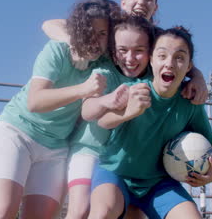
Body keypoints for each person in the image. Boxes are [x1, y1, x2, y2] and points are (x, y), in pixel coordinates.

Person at [0, 0, 120, 219]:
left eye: (103, 34)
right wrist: (82, 89)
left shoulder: (103, 64)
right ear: (79, 30)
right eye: (90, 31)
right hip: (18, 132)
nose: (96, 39)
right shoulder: (57, 49)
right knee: (3, 209)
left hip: (55, 147)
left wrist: (195, 76)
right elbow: (35, 102)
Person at [88, 27, 212, 219]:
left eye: (179, 57)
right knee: (102, 214)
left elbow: (211, 142)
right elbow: (103, 121)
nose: (169, 63)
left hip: (158, 184)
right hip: (116, 173)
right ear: (151, 60)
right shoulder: (135, 90)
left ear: (188, 67)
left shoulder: (190, 103)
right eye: (162, 55)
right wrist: (128, 112)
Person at [42, 0, 208, 105]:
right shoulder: (107, 27)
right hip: (93, 101)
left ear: (155, 7)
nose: (141, 2)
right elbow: (50, 24)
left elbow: (178, 58)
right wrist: (76, 45)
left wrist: (198, 77)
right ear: (123, 2)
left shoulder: (159, 38)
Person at [65, 14, 155, 219]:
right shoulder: (105, 71)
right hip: (90, 150)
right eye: (122, 50)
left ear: (150, 52)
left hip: (124, 159)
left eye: (139, 51)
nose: (130, 59)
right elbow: (87, 111)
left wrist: (196, 78)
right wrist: (108, 100)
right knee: (80, 210)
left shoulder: (152, 79)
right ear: (113, 52)